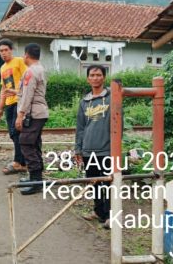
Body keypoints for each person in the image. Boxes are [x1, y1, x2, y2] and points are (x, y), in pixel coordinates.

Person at [74, 65, 113, 229]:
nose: (95, 78)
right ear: (88, 79)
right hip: (89, 150)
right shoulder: (84, 102)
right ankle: (98, 211)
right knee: (93, 183)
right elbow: (80, 127)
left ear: (104, 77)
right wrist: (78, 149)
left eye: (98, 75)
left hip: (107, 149)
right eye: (92, 75)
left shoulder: (112, 97)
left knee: (109, 184)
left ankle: (111, 215)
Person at [10, 43, 49, 195]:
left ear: (26, 55)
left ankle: (36, 181)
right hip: (40, 113)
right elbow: (28, 91)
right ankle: (36, 178)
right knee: (34, 144)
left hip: (33, 113)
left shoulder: (30, 72)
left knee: (25, 143)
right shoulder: (40, 69)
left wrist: (20, 115)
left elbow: (28, 96)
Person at [0, 39, 28, 175]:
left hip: (19, 101)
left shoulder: (19, 61)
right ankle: (22, 162)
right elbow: (4, 89)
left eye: (6, 50)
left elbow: (27, 80)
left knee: (17, 131)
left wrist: (19, 94)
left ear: (11, 50)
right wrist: (0, 108)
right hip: (9, 104)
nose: (3, 53)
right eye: (1, 51)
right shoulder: (2, 68)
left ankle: (18, 162)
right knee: (13, 134)